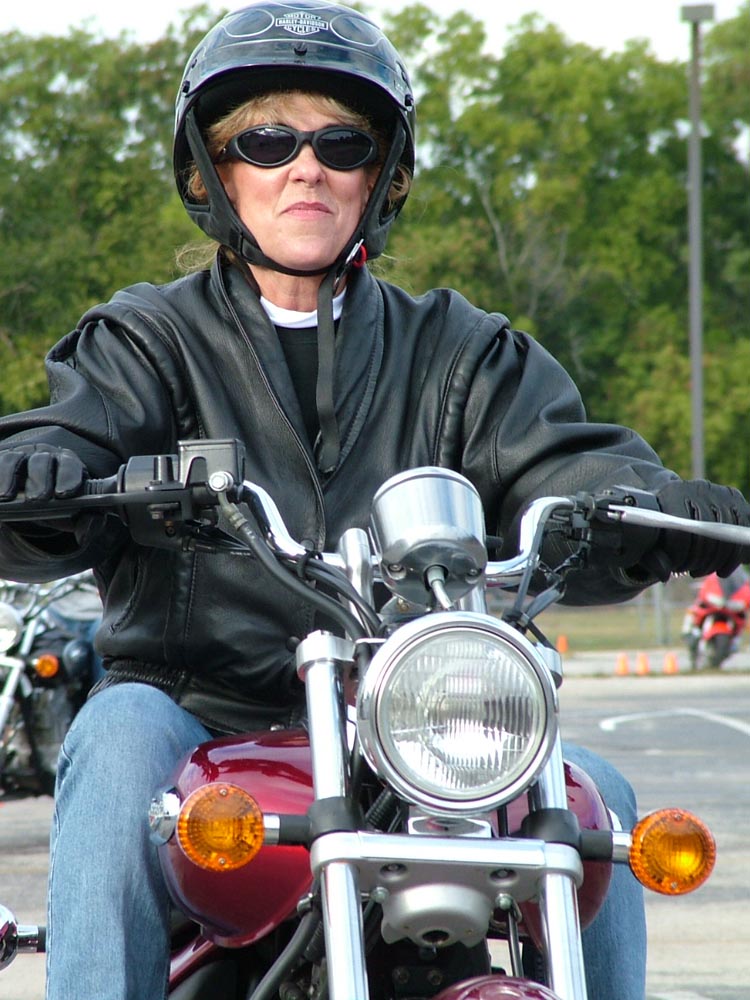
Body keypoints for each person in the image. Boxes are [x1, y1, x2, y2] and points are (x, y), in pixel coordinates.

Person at [0, 3, 748, 998]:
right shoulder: (146, 341)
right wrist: (43, 464)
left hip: (420, 730)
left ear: (382, 176)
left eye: (340, 143)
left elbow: (563, 467)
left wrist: (650, 505)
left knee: (594, 798)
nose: (304, 168)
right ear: (214, 173)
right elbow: (81, 427)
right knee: (115, 740)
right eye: (267, 141)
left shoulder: (464, 351)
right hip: (197, 713)